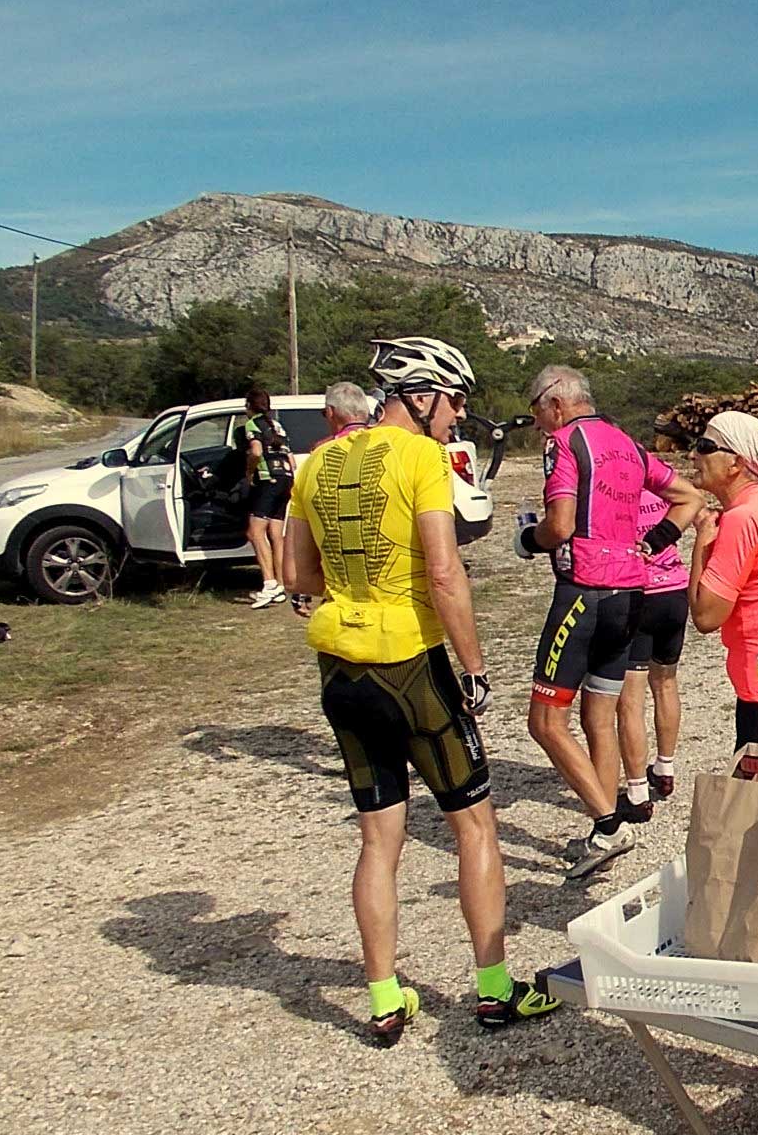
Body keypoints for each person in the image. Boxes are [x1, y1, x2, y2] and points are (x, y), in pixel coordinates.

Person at [282, 335, 557, 1043]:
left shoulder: (317, 461)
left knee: (379, 838)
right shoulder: (422, 459)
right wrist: (475, 667)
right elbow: (443, 571)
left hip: (340, 665)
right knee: (475, 825)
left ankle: (384, 997)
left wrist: (352, 585)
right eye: (454, 400)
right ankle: (494, 989)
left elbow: (296, 574)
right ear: (422, 395)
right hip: (410, 658)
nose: (459, 414)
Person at [516, 363, 701, 877]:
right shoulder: (626, 443)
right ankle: (602, 832)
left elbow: (560, 525)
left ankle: (608, 824)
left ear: (555, 402)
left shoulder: (564, 443)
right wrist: (656, 542)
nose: (537, 423)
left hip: (584, 591)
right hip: (631, 594)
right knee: (598, 717)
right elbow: (689, 497)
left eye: (536, 411)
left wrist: (527, 540)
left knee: (545, 721)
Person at [684, 412, 758, 751]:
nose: (692, 455)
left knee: (755, 778)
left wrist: (702, 542)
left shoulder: (741, 519)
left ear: (736, 463)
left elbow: (706, 616)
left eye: (705, 446)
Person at [615, 479, 692, 819]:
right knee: (666, 683)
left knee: (630, 699)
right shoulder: (665, 486)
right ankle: (665, 767)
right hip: (674, 590)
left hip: (639, 593)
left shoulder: (615, 489)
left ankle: (636, 792)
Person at [238, 387, 295, 609]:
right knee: (275, 534)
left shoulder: (253, 424)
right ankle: (280, 585)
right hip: (286, 479)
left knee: (254, 532)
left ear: (249, 406)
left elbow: (256, 451)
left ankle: (269, 584)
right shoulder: (276, 425)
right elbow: (290, 458)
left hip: (267, 478)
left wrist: (249, 472)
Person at [311, 380, 373, 449]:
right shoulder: (380, 439)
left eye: (324, 413)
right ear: (367, 410)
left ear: (330, 412)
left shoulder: (325, 449)